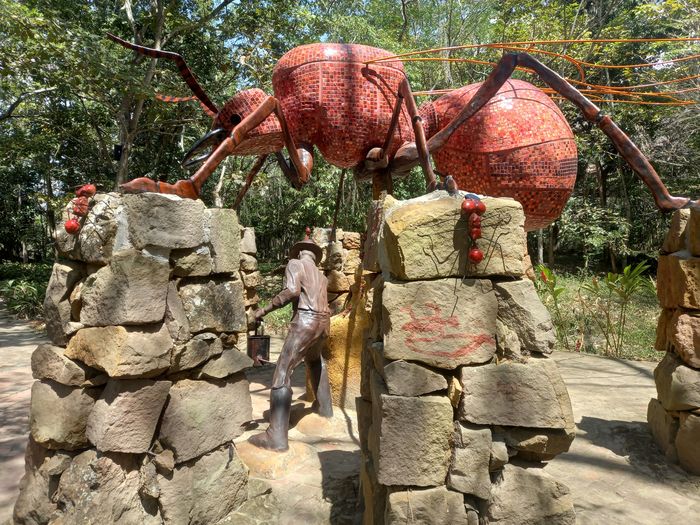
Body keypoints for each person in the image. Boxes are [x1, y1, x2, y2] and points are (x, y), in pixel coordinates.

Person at [249, 229, 333, 451]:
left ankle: (276, 436)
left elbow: (292, 291)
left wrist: (264, 309)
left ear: (299, 253)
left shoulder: (295, 264)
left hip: (306, 321)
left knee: (283, 371)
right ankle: (325, 409)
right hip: (324, 323)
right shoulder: (322, 277)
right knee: (316, 361)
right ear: (315, 256)